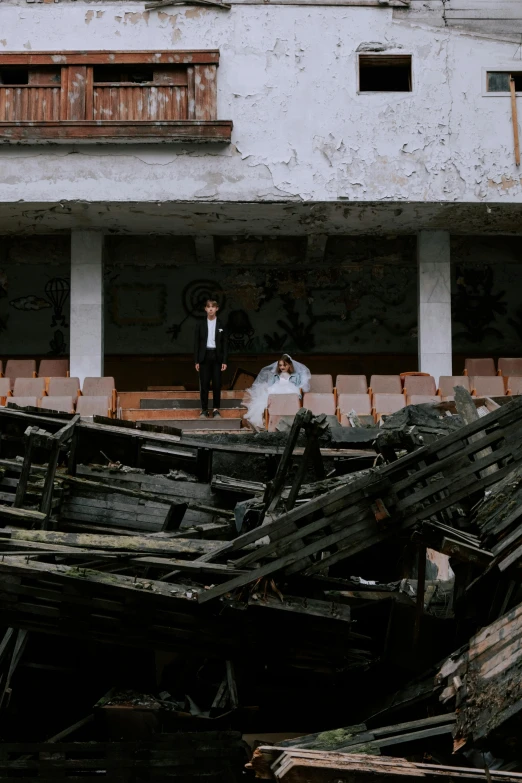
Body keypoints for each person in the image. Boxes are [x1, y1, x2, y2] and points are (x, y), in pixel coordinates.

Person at [244, 354, 311, 429]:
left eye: (284, 365)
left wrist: (297, 393)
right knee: (262, 401)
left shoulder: (296, 376)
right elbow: (270, 385)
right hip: (276, 393)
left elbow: (299, 387)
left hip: (290, 394)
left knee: (288, 395)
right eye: (280, 365)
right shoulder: (275, 376)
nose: (282, 367)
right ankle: (259, 422)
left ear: (289, 365)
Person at [194, 299, 228, 418]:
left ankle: (215, 409)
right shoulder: (200, 324)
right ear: (205, 309)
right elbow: (197, 343)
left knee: (217, 384)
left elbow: (225, 343)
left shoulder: (221, 324)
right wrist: (196, 360)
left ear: (217, 308)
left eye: (213, 306)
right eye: (208, 307)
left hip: (217, 356)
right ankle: (204, 409)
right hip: (204, 356)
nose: (211, 309)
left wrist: (224, 360)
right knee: (204, 384)